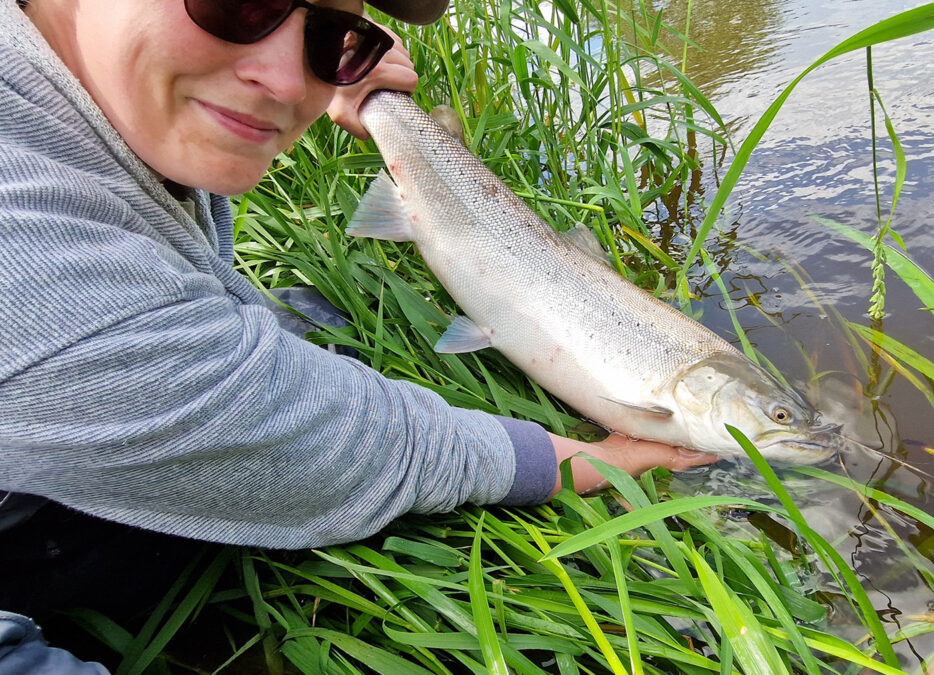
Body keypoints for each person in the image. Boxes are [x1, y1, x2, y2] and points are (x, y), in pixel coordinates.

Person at [0, 0, 717, 669]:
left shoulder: (75, 89)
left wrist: (345, 83)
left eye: (328, 39)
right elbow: (356, 444)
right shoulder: (37, 265)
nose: (284, 81)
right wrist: (597, 459)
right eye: (238, 4)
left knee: (325, 316)